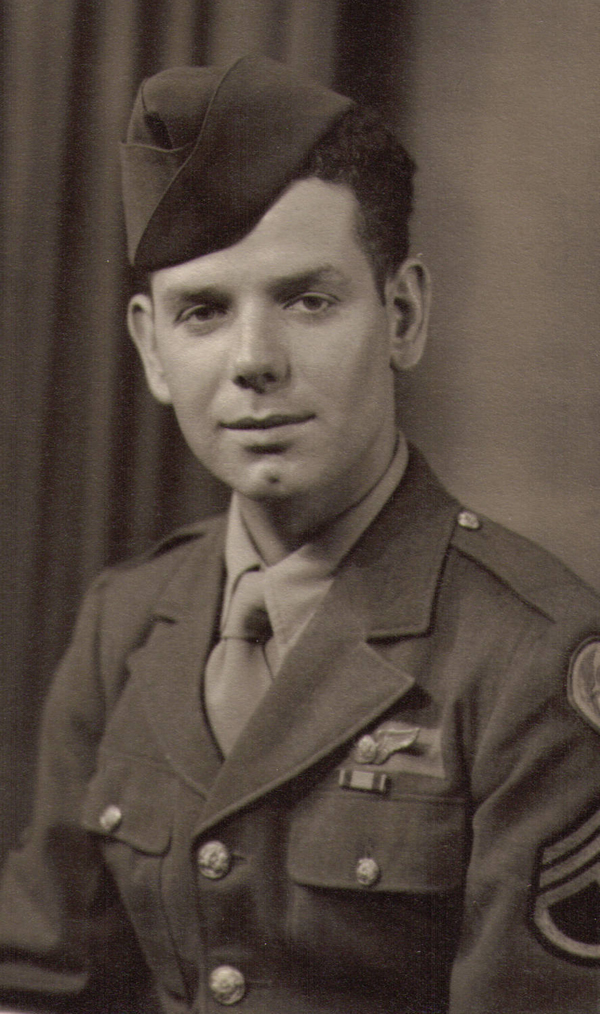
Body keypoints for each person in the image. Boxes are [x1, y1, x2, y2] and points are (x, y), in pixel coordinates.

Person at [1, 53, 600, 1014]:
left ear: (401, 315)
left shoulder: (532, 661)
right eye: (204, 312)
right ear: (152, 349)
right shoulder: (127, 621)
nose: (253, 363)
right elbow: (39, 980)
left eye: (308, 300)